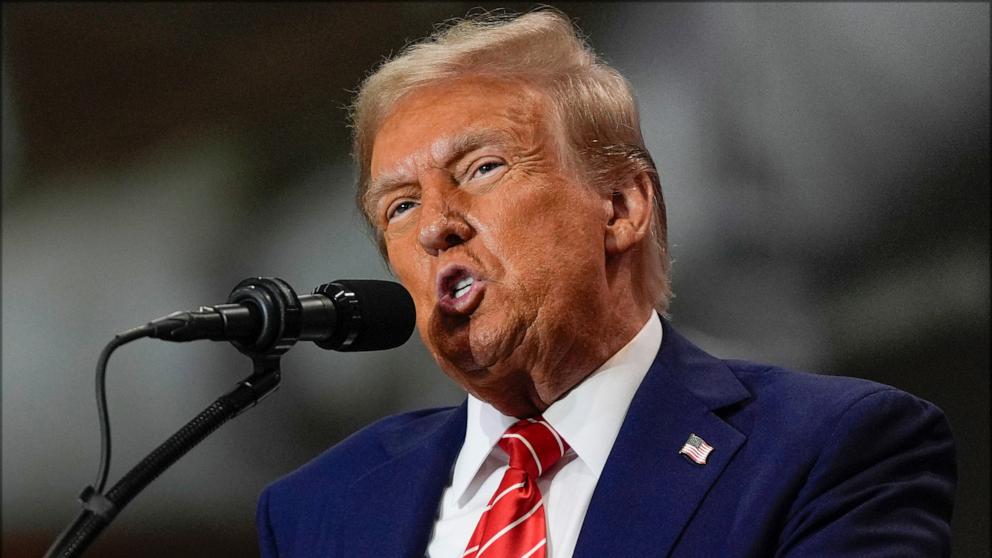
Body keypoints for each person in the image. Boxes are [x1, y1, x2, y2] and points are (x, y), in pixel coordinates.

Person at [256, 10, 955, 557]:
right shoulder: (319, 509)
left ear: (620, 208)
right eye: (400, 207)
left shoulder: (827, 448)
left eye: (482, 169)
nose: (436, 226)